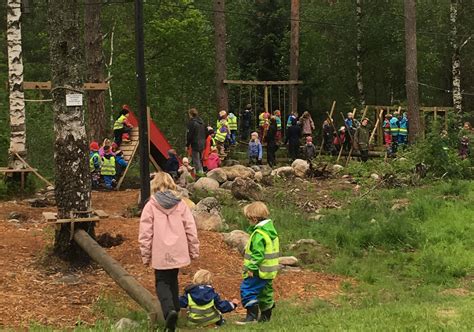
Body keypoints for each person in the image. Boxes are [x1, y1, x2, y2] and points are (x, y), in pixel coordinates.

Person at [139, 172, 199, 332]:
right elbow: (190, 228)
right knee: (172, 278)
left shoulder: (150, 206)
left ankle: (169, 311)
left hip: (160, 251)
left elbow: (145, 233)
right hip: (178, 250)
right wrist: (194, 250)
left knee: (161, 281)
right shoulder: (181, 204)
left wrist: (145, 255)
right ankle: (176, 310)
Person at [237, 201, 279, 324]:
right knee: (265, 293)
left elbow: (257, 255)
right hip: (269, 271)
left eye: (249, 219)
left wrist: (250, 268)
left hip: (257, 271)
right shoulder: (271, 232)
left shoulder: (259, 234)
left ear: (254, 219)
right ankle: (266, 317)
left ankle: (252, 317)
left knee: (247, 289)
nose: (248, 221)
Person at [186, 108, 206, 176]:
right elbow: (206, 132)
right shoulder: (202, 122)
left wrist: (187, 145)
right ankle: (202, 172)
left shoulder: (192, 123)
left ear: (190, 114)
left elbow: (189, 135)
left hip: (195, 143)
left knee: (196, 160)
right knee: (200, 160)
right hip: (202, 143)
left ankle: (200, 175)